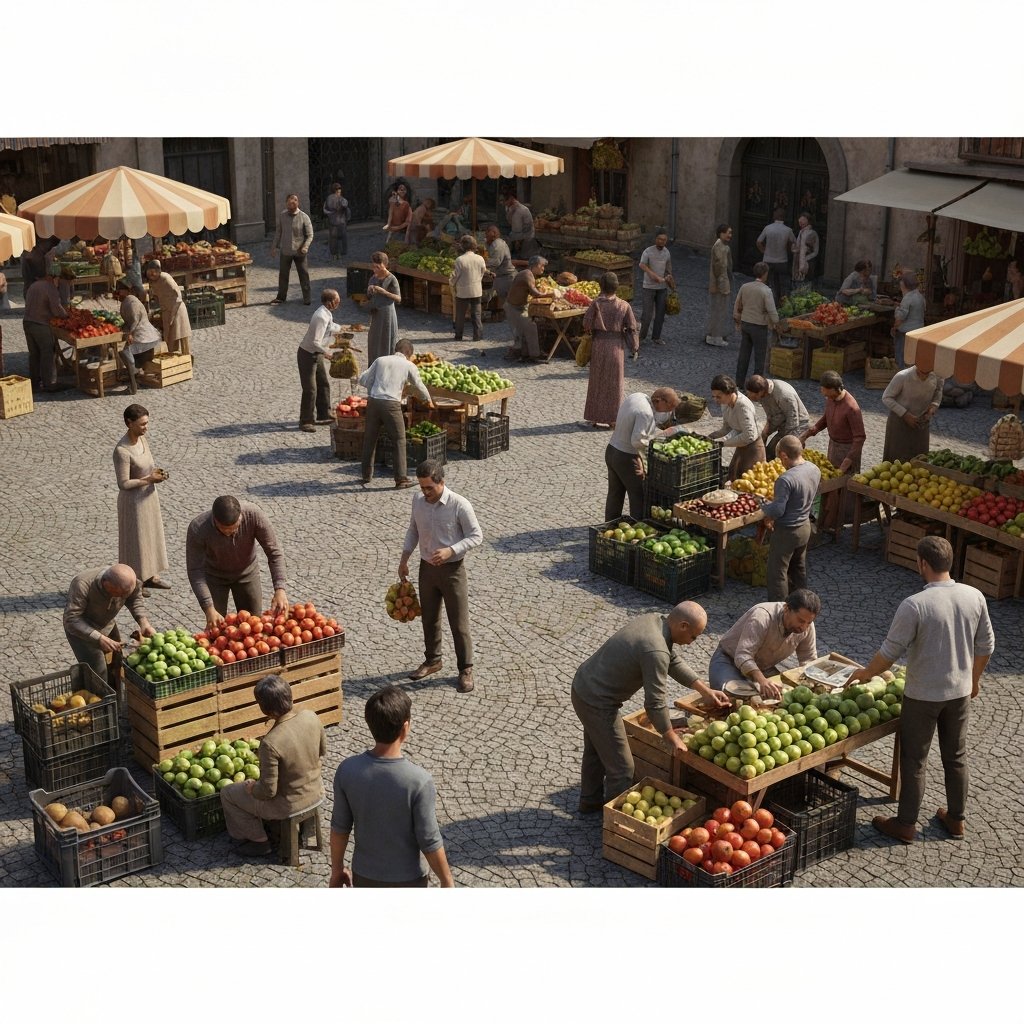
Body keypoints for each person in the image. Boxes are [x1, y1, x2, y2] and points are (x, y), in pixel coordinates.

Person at [848, 537, 995, 844]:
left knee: (915, 760)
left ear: (922, 564)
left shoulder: (915, 605)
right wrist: (974, 681)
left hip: (922, 696)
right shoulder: (974, 596)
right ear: (950, 562)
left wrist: (865, 674)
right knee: (956, 757)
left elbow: (890, 653)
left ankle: (905, 825)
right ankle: (956, 820)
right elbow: (986, 646)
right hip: (959, 693)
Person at [570, 602, 729, 813]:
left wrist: (705, 690)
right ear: (683, 625)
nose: (692, 643)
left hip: (584, 685)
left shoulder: (656, 621)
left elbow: (672, 660)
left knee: (597, 750)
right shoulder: (655, 649)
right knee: (623, 769)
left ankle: (589, 803)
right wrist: (669, 734)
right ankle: (615, 826)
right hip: (598, 702)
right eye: (694, 637)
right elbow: (654, 702)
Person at [330, 686, 454, 887]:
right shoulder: (418, 781)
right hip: (409, 879)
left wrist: (337, 869)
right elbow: (429, 840)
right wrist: (447, 881)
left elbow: (339, 828)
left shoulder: (347, 770)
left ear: (369, 723)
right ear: (406, 727)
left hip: (364, 874)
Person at [399, 460, 483, 694]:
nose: (425, 493)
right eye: (422, 487)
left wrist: (451, 550)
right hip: (426, 569)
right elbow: (413, 529)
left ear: (442, 482)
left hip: (453, 571)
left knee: (459, 623)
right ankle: (433, 660)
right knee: (429, 618)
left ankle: (466, 668)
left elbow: (476, 536)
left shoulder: (459, 505)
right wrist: (404, 559)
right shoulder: (418, 501)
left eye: (429, 488)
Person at [220, 674, 327, 858]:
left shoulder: (270, 743)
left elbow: (268, 792)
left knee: (228, 793)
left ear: (264, 709)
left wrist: (252, 788)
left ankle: (258, 841)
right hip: (316, 790)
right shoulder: (311, 716)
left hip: (288, 805)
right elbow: (321, 751)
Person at [186, 495, 289, 627]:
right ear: (214, 520)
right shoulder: (198, 528)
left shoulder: (254, 515)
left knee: (254, 625)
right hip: (214, 576)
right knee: (216, 627)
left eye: (234, 529)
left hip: (247, 573)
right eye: (224, 530)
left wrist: (280, 589)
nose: (229, 533)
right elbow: (195, 571)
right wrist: (208, 607)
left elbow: (274, 552)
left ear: (241, 516)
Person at [708, 589, 821, 700]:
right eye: (800, 621)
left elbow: (809, 660)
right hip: (728, 660)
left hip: (763, 667)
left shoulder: (807, 626)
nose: (804, 627)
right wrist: (762, 681)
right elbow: (743, 655)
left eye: (809, 622)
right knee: (732, 700)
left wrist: (814, 686)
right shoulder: (762, 616)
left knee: (783, 697)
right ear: (786, 608)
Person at [357, 338, 434, 488]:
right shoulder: (408, 365)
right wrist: (428, 400)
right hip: (391, 405)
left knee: (370, 439)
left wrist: (378, 387)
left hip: (373, 402)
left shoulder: (380, 360)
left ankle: (366, 475)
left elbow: (363, 379)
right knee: (399, 439)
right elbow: (419, 385)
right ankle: (401, 479)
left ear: (395, 349)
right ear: (409, 353)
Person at [799, 370, 866, 531]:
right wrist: (810, 432)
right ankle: (828, 520)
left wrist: (846, 462)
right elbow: (826, 418)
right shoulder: (831, 399)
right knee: (829, 486)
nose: (824, 396)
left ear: (835, 389)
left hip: (847, 451)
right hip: (833, 447)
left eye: (826, 392)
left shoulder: (852, 408)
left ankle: (842, 521)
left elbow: (860, 438)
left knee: (843, 489)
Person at [63, 564, 154, 683]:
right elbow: (71, 619)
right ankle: (98, 697)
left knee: (117, 662)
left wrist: (144, 622)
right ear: (105, 584)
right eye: (119, 594)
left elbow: (135, 598)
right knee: (97, 671)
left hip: (107, 624)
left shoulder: (130, 582)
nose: (122, 598)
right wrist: (99, 638)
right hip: (82, 631)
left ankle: (116, 693)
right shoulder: (82, 584)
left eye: (124, 595)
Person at [114, 403, 170, 593]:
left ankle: (151, 576)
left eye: (147, 423)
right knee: (135, 541)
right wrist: (148, 479)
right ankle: (135, 582)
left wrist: (157, 474)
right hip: (133, 502)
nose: (146, 427)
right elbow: (123, 483)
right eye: (142, 424)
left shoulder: (142, 440)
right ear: (129, 423)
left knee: (151, 536)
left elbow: (148, 465)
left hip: (148, 497)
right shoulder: (122, 451)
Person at [604, 387, 679, 521]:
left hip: (611, 450)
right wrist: (652, 449)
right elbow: (637, 441)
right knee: (639, 494)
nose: (669, 412)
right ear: (658, 400)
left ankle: (609, 523)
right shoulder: (646, 413)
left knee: (615, 493)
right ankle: (639, 525)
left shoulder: (637, 396)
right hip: (626, 457)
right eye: (668, 407)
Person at [761, 435, 821, 600]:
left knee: (777, 572)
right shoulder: (814, 469)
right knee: (798, 568)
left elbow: (778, 510)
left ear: (783, 455)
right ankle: (802, 604)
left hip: (787, 532)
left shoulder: (786, 479)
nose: (780, 462)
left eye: (780, 458)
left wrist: (762, 504)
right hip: (805, 527)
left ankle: (779, 610)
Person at [582, 272, 638, 429]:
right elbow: (632, 328)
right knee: (615, 384)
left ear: (601, 286)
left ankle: (593, 418)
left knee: (597, 382)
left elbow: (586, 323)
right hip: (616, 348)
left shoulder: (596, 304)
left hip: (599, 345)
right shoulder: (624, 305)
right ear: (616, 287)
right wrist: (634, 347)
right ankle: (613, 420)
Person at [297, 287, 344, 433]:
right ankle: (306, 421)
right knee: (310, 389)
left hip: (317, 354)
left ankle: (324, 413)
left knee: (323, 383)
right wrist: (328, 353)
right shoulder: (320, 317)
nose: (339, 303)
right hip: (308, 355)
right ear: (330, 302)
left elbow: (331, 326)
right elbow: (315, 342)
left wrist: (343, 328)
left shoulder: (326, 313)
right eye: (337, 301)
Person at [707, 373, 765, 480]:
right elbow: (727, 427)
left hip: (753, 447)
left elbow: (749, 436)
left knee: (748, 480)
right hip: (741, 444)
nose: (716, 400)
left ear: (729, 393)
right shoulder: (725, 403)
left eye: (718, 397)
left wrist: (723, 443)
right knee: (733, 476)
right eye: (714, 396)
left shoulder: (743, 406)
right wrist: (712, 436)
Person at [881, 364, 944, 463]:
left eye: (927, 373)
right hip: (899, 421)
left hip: (921, 422)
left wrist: (933, 406)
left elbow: (938, 392)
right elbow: (886, 398)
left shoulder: (938, 376)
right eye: (922, 373)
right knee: (895, 460)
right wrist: (905, 415)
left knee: (920, 459)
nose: (924, 376)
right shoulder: (902, 376)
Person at [22, 262, 67, 393]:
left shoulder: (33, 286)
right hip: (40, 324)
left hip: (27, 323)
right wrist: (66, 316)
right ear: (53, 277)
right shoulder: (50, 288)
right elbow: (56, 309)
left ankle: (34, 382)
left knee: (34, 354)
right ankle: (49, 383)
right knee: (47, 353)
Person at [733, 262, 780, 383]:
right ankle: (756, 385)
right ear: (765, 274)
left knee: (744, 355)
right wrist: (777, 322)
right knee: (759, 357)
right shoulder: (766, 291)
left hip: (746, 323)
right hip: (759, 326)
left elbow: (738, 304)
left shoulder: (745, 286)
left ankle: (739, 382)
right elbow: (771, 310)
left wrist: (737, 319)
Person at [744, 374, 810, 460]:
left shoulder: (784, 394)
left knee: (783, 454)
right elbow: (771, 416)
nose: (750, 397)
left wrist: (788, 442)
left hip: (797, 424)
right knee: (769, 452)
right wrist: (765, 433)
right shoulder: (763, 393)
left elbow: (793, 420)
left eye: (752, 395)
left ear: (760, 392)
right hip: (782, 421)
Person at [114, 279, 163, 394]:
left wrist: (130, 333)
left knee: (125, 354)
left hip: (143, 336)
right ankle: (135, 379)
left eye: (119, 291)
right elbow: (129, 320)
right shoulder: (127, 301)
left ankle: (133, 385)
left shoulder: (132, 302)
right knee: (127, 356)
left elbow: (135, 320)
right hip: (138, 334)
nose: (118, 294)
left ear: (126, 291)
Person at [270, 193, 314, 305]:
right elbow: (278, 232)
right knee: (283, 275)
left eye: (293, 202)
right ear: (286, 204)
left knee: (304, 274)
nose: (291, 204)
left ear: (297, 203)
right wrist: (274, 246)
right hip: (286, 251)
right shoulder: (282, 216)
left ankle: (307, 298)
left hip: (300, 252)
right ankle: (281, 297)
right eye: (289, 202)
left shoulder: (304, 217)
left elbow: (310, 235)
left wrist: (305, 246)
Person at [504, 254, 548, 362]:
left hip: (519, 306)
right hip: (513, 307)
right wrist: (549, 294)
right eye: (542, 266)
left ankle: (526, 353)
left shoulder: (529, 274)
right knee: (530, 326)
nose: (543, 269)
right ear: (536, 265)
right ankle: (533, 355)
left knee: (527, 328)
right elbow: (535, 293)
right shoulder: (527, 274)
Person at [144, 260, 191, 356]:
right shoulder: (153, 282)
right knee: (169, 337)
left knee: (181, 334)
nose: (151, 274)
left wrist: (173, 315)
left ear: (158, 271)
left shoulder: (166, 278)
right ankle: (173, 358)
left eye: (153, 272)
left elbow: (178, 296)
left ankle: (187, 357)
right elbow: (156, 295)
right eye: (149, 272)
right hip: (166, 310)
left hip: (176, 309)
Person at [638, 231, 675, 346]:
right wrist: (653, 275)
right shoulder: (648, 251)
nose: (661, 241)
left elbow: (668, 269)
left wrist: (669, 280)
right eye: (659, 239)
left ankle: (656, 337)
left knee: (660, 314)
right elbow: (642, 265)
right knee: (647, 315)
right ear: (655, 239)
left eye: (664, 240)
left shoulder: (667, 253)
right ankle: (641, 337)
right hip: (648, 287)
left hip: (662, 288)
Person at [366, 251, 402, 365]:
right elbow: (369, 296)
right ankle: (374, 366)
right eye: (374, 266)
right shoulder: (373, 278)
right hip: (376, 313)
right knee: (374, 341)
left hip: (388, 314)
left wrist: (384, 292)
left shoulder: (391, 279)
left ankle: (387, 366)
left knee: (387, 340)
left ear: (384, 265)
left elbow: (398, 298)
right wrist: (369, 290)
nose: (375, 269)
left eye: (378, 267)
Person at [450, 234, 486, 342]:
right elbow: (483, 271)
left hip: (463, 291)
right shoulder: (480, 258)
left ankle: (458, 335)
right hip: (476, 290)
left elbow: (456, 275)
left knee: (460, 314)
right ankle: (478, 335)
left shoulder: (460, 260)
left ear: (463, 246)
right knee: (476, 314)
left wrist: (452, 283)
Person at [757, 208, 796, 305]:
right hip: (782, 260)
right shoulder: (788, 230)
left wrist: (763, 251)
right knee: (782, 284)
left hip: (768, 259)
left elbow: (758, 242)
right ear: (784, 217)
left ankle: (765, 302)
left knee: (767, 283)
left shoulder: (768, 228)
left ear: (775, 216)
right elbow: (794, 243)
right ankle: (780, 303)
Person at [705, 223, 733, 347]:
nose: (730, 235)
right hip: (720, 284)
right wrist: (722, 285)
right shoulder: (719, 247)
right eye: (728, 232)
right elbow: (719, 268)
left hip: (721, 283)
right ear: (721, 233)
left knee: (718, 309)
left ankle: (714, 334)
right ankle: (715, 336)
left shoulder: (724, 247)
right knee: (719, 310)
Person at [891, 270, 926, 369]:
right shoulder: (920, 296)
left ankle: (902, 378)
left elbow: (900, 318)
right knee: (913, 357)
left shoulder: (907, 298)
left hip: (905, 333)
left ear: (904, 285)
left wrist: (894, 327)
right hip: (918, 331)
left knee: (902, 357)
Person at [484, 224, 515, 313]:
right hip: (500, 276)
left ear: (493, 233)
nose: (485, 235)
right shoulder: (492, 243)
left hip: (506, 277)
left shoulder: (498, 244)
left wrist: (480, 263)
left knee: (501, 300)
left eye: (487, 233)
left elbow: (495, 262)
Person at [503, 193, 538, 258]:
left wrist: (518, 240)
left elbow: (522, 228)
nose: (503, 203)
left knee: (523, 258)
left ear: (511, 199)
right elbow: (510, 222)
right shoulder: (510, 209)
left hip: (526, 238)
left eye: (504, 201)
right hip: (517, 236)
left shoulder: (522, 210)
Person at [322, 182, 350, 261]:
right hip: (341, 221)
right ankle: (340, 253)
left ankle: (334, 254)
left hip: (332, 221)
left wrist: (330, 214)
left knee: (333, 238)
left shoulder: (328, 198)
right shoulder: (342, 199)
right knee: (341, 237)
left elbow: (325, 210)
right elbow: (346, 208)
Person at [792, 211, 819, 288]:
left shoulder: (812, 233)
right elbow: (798, 246)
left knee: (806, 282)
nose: (801, 223)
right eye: (800, 222)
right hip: (798, 260)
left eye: (803, 221)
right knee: (798, 282)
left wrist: (806, 259)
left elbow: (815, 251)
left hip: (808, 261)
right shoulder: (801, 232)